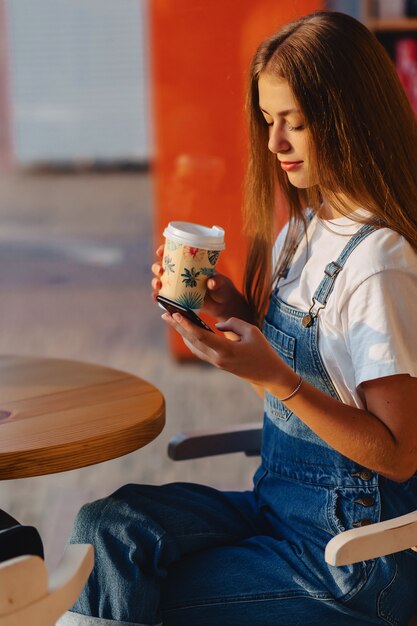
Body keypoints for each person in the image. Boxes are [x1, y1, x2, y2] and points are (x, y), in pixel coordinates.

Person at [58, 10, 417, 626]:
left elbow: (398, 454)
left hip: (352, 562)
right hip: (277, 509)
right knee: (106, 533)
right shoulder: (304, 230)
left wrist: (275, 377)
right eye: (268, 120)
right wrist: (234, 319)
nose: (274, 143)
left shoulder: (380, 266)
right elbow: (319, 366)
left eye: (295, 124)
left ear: (347, 120)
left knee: (129, 594)